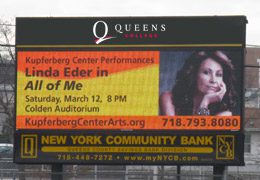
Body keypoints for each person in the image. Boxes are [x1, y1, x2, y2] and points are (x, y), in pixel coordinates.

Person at [160, 51, 237, 116]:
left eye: (218, 74)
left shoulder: (224, 114)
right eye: (206, 72)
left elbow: (201, 131)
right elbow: (173, 132)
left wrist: (205, 102)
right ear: (193, 74)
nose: (213, 80)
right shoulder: (168, 98)